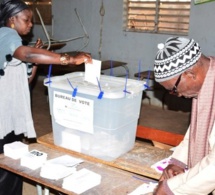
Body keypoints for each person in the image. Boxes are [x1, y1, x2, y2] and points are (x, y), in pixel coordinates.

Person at [0, 0, 92, 194]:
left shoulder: (15, 45)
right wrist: (69, 59)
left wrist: (34, 64)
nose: (30, 24)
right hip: (3, 112)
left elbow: (26, 80)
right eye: (26, 20)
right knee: (6, 163)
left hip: (9, 111)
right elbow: (28, 54)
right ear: (11, 19)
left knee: (12, 161)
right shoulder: (5, 34)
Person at [153, 36, 215, 195]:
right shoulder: (208, 82)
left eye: (174, 89)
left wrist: (171, 189)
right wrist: (179, 162)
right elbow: (197, 130)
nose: (176, 95)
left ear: (191, 74)